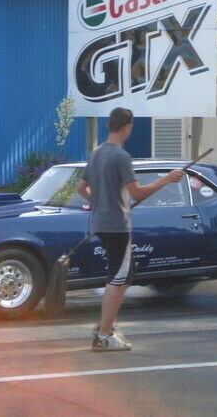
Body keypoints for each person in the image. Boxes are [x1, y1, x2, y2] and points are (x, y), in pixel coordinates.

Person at [77, 108, 185, 352]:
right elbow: (137, 193)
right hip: (117, 225)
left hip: (101, 223)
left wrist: (101, 202)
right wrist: (166, 179)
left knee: (126, 274)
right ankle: (104, 335)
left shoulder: (96, 154)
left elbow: (81, 188)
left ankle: (108, 324)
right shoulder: (121, 157)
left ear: (109, 126)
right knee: (117, 278)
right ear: (127, 127)